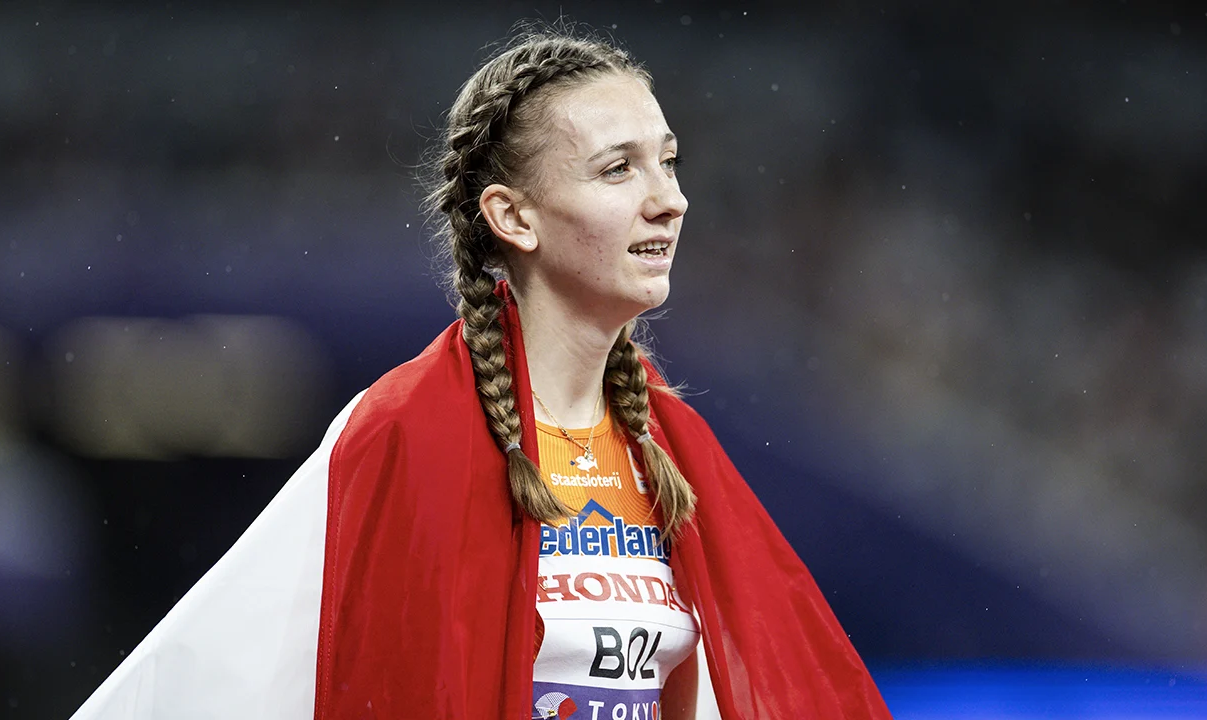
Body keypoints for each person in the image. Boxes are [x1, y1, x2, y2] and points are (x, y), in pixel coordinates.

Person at [71, 28, 891, 720]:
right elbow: (197, 682)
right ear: (513, 216)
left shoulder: (678, 452)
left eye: (668, 163)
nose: (668, 200)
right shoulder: (401, 432)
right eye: (618, 170)